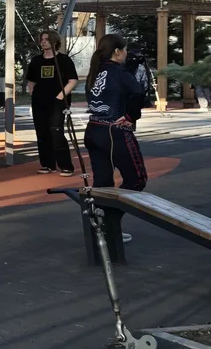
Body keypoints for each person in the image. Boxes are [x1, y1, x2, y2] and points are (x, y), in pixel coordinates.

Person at [83, 33, 147, 248]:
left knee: (103, 183)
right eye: (125, 50)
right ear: (118, 51)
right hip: (114, 131)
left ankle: (102, 227)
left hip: (94, 129)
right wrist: (130, 116)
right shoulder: (118, 71)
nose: (127, 54)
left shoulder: (95, 71)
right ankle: (110, 224)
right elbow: (139, 93)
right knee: (136, 178)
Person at [25, 29, 76, 175]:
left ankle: (66, 166)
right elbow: (31, 80)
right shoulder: (36, 60)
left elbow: (72, 81)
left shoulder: (64, 60)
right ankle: (48, 164)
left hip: (57, 102)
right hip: (39, 102)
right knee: (42, 132)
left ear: (55, 41)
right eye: (42, 39)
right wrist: (33, 93)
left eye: (47, 39)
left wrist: (60, 97)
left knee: (56, 131)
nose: (43, 41)